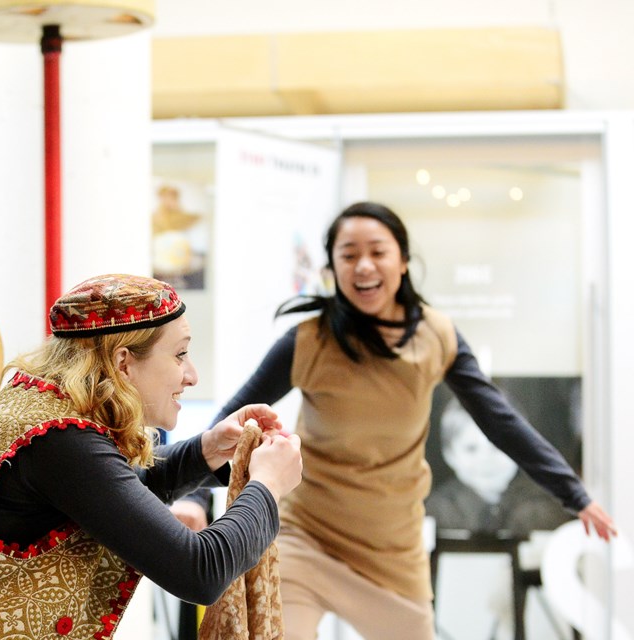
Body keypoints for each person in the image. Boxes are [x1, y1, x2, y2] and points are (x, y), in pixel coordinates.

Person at [176, 201, 616, 639]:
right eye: (348, 255)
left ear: (403, 261)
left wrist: (572, 493)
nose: (363, 266)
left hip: (394, 552)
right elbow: (229, 425)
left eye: (378, 252)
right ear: (333, 268)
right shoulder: (308, 342)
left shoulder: (436, 336)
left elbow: (500, 420)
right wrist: (195, 499)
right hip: (306, 537)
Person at [0, 273, 303, 639]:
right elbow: (200, 570)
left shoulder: (39, 403)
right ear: (123, 363)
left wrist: (204, 452)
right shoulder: (61, 442)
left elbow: (113, 494)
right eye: (179, 355)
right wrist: (267, 487)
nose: (192, 375)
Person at [426, 396, 572, 537]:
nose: (485, 459)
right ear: (450, 455)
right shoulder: (439, 509)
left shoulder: (544, 506)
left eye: (498, 446)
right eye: (471, 448)